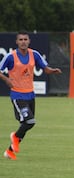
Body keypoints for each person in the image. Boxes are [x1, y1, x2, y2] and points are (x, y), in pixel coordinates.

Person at [0, 31, 62, 160]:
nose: (23, 42)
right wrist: (6, 80)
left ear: (29, 41)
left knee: (27, 124)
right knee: (29, 121)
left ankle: (10, 151)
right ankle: (14, 137)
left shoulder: (35, 54)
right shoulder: (11, 57)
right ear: (17, 42)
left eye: (25, 39)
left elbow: (45, 68)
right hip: (17, 95)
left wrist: (52, 71)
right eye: (20, 39)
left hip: (30, 95)